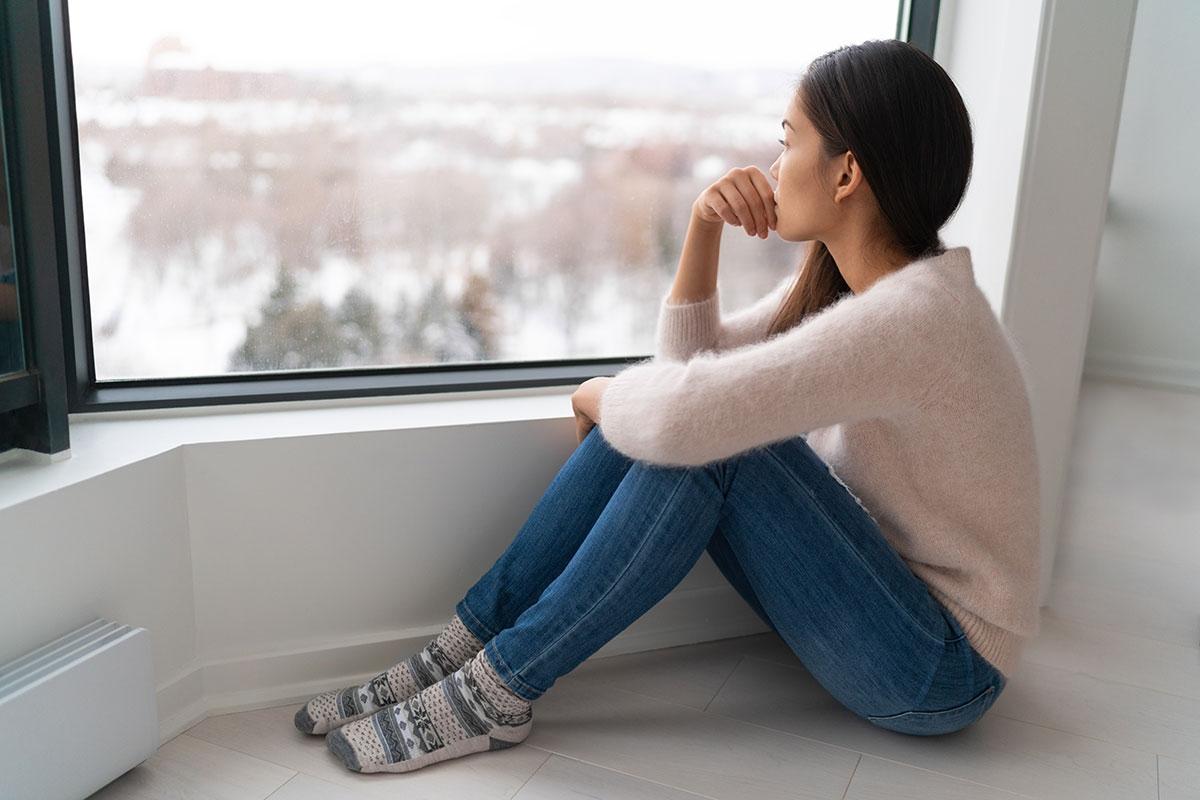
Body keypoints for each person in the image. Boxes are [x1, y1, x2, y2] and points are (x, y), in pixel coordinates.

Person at [295, 38, 1041, 775]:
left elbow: (686, 417)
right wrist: (702, 228)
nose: (774, 166)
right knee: (688, 424)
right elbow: (689, 376)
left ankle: (494, 691)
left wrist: (601, 394)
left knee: (711, 438)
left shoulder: (914, 319)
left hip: (940, 667)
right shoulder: (851, 288)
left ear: (846, 172)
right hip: (875, 596)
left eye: (789, 142)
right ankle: (462, 652)